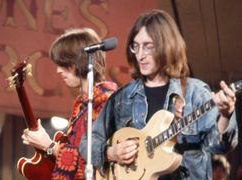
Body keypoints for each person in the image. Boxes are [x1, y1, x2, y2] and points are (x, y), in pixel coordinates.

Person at [80, 9, 238, 180]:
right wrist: (111, 153)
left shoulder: (196, 93)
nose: (140, 55)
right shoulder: (122, 98)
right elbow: (86, 143)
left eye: (148, 47)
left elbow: (220, 146)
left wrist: (225, 115)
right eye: (136, 46)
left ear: (166, 46)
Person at [21, 28, 118, 179]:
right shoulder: (82, 105)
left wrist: (49, 145)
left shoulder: (106, 101)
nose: (58, 70)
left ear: (82, 61)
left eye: (64, 64)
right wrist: (45, 143)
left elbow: (93, 159)